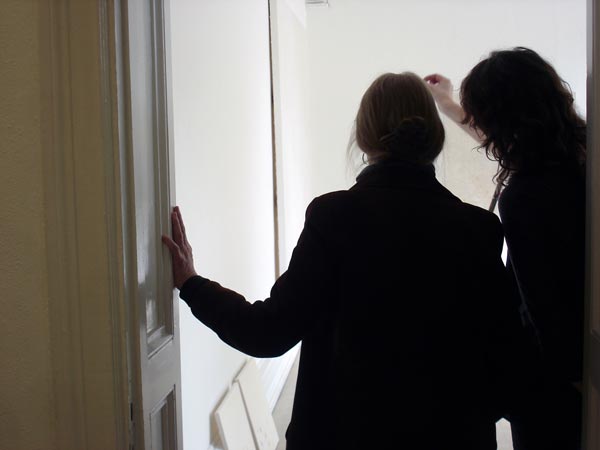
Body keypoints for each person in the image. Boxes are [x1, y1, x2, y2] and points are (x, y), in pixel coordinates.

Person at [163, 72, 533, 450]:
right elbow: (508, 368)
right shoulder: (479, 228)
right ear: (434, 136)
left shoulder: (333, 217)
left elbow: (269, 332)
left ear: (363, 137)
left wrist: (192, 284)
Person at [425, 47, 586, 450]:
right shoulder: (581, 153)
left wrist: (574, 380)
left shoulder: (526, 195)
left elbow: (542, 304)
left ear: (504, 122)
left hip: (553, 381)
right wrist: (448, 103)